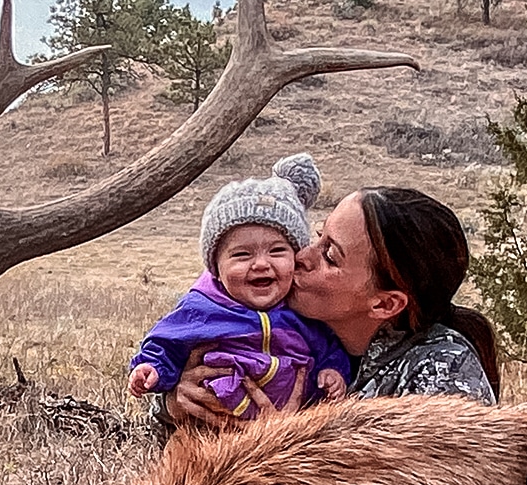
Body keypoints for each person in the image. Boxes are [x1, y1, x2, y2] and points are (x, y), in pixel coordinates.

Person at [164, 183, 502, 430]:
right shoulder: (273, 313)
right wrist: (174, 401)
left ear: (384, 303)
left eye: (329, 255)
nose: (301, 256)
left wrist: (287, 441)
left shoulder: (440, 379)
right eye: (318, 236)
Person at [128, 155, 351, 420]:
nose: (260, 264)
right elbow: (165, 342)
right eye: (242, 255)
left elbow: (330, 347)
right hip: (217, 426)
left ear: (296, 257)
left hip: (297, 430)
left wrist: (334, 370)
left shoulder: (304, 311)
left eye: (277, 251)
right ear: (216, 270)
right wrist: (152, 369)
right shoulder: (202, 307)